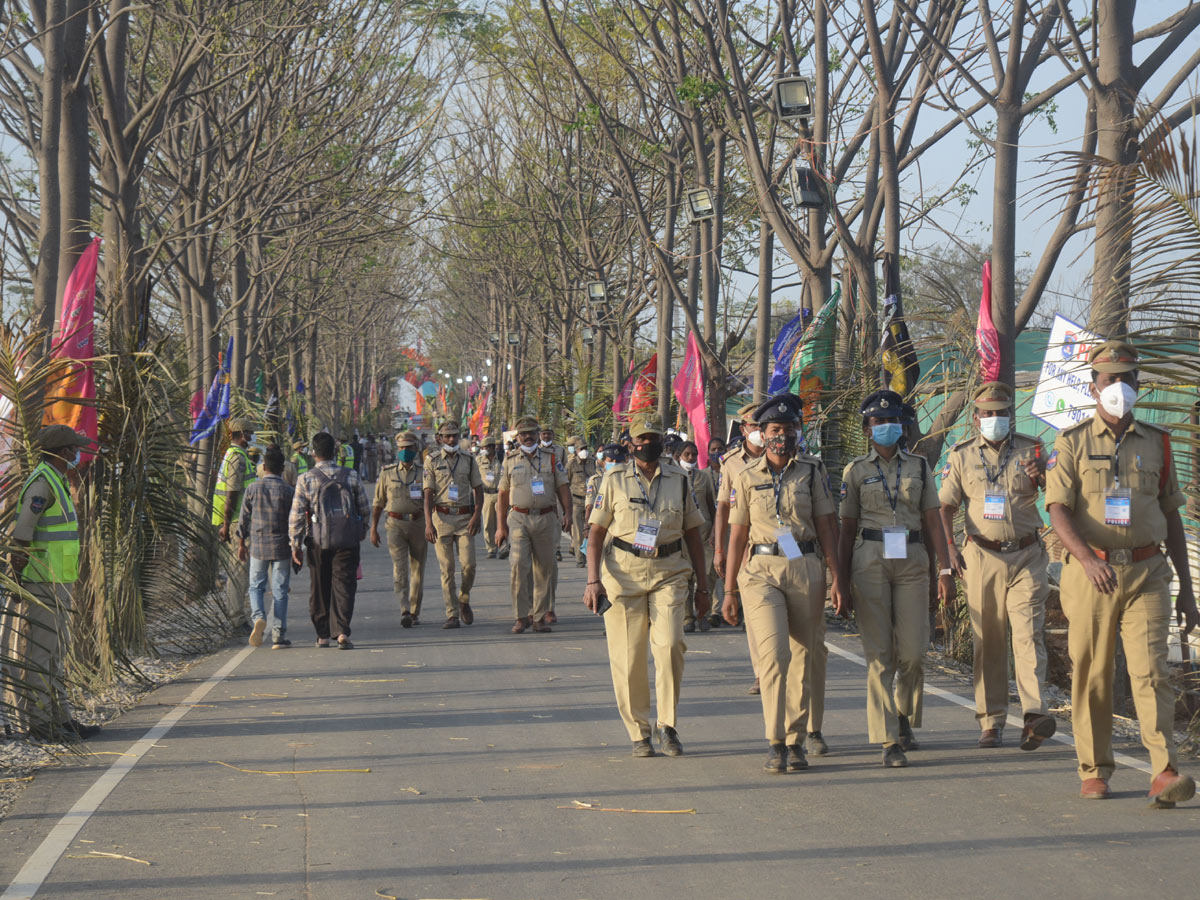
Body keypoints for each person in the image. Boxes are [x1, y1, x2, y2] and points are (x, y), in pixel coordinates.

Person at [1046, 340, 1198, 806]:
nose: (1120, 387)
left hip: (1148, 571)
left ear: (1138, 385)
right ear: (1094, 387)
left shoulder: (1158, 442)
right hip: (1091, 573)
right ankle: (1094, 769)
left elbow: (1171, 514)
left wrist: (1187, 591)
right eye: (1110, 379)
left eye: (1127, 379)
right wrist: (1087, 560)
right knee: (1092, 672)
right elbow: (1057, 509)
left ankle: (1164, 769)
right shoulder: (1070, 442)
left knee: (1151, 671)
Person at [723, 394, 847, 772]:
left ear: (798, 431)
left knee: (804, 657)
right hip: (760, 571)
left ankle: (796, 739)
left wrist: (836, 576)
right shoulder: (745, 476)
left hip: (804, 567)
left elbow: (827, 525)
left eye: (789, 428)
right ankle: (775, 739)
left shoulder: (812, 472)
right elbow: (738, 533)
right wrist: (728, 590)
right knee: (774, 655)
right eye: (775, 429)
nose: (782, 436)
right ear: (761, 433)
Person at [838, 389, 955, 768]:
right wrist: (839, 579)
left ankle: (903, 715)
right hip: (869, 560)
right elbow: (846, 527)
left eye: (892, 421)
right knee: (879, 655)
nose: (886, 427)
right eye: (878, 422)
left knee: (913, 653)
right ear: (868, 430)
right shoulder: (855, 470)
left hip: (912, 559)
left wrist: (945, 569)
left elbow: (933, 520)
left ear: (901, 427)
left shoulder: (920, 467)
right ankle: (888, 739)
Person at [938, 381, 1057, 750]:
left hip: (1026, 555)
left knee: (1026, 633)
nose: (994, 419)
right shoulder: (960, 455)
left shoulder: (1033, 449)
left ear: (1011, 414)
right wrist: (949, 551)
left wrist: (1044, 476)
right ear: (976, 419)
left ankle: (1034, 715)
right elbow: (945, 506)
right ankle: (991, 720)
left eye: (1001, 413)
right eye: (987, 414)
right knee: (987, 640)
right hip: (981, 556)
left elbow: (1059, 496)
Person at [584, 414, 710, 757]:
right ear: (630, 443)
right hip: (623, 576)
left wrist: (703, 586)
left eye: (654, 437)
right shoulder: (613, 481)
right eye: (641, 439)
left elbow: (693, 534)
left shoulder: (679, 479)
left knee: (670, 646)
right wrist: (593, 580)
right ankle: (639, 730)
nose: (647, 444)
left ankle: (667, 725)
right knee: (628, 658)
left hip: (669, 571)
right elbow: (595, 534)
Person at [1, 426, 99, 741]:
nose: (77, 453)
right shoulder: (42, 484)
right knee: (41, 654)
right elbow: (22, 533)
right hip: (43, 581)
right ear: (63, 452)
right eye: (74, 448)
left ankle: (62, 719)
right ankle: (42, 723)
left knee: (56, 652)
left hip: (58, 579)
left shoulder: (54, 480)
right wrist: (17, 574)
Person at [288, 431, 369, 648]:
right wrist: (362, 530)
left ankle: (322, 635)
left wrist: (295, 544)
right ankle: (341, 632)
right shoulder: (351, 475)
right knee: (344, 586)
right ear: (335, 452)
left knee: (319, 586)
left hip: (317, 540)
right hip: (347, 540)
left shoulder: (305, 479)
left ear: (313, 454)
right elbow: (364, 507)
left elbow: (296, 515)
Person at [497, 416, 572, 633]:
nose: (528, 437)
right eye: (523, 434)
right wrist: (501, 527)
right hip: (519, 518)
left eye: (532, 433)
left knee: (545, 569)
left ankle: (539, 617)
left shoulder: (551, 458)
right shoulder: (510, 459)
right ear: (517, 437)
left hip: (546, 519)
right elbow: (503, 494)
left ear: (538, 434)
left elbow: (563, 486)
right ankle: (522, 616)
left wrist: (567, 513)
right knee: (519, 565)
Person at [714, 403, 767, 690]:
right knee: (754, 609)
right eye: (754, 426)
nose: (759, 432)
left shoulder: (784, 454)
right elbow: (723, 508)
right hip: (744, 545)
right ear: (744, 429)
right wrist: (720, 549)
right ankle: (762, 671)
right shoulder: (731, 462)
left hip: (777, 542)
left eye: (763, 426)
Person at [423, 419, 483, 629]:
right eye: (447, 436)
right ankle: (452, 613)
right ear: (439, 438)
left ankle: (464, 599)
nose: (451, 439)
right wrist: (428, 523)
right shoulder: (431, 460)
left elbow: (478, 488)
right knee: (447, 568)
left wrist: (477, 514)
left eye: (455, 436)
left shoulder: (468, 459)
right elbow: (428, 494)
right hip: (442, 518)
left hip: (465, 518)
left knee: (469, 565)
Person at [237, 446, 296, 649]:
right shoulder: (289, 491)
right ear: (282, 469)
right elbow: (295, 521)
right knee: (280, 590)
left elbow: (243, 519)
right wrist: (297, 546)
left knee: (256, 586)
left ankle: (259, 617)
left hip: (258, 545)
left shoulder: (253, 488)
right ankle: (278, 635)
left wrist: (240, 544)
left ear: (264, 467)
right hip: (282, 546)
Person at [370, 431, 428, 628]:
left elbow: (431, 501)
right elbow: (378, 503)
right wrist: (373, 529)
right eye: (401, 448)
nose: (405, 452)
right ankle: (404, 608)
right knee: (400, 568)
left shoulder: (424, 473)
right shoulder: (387, 473)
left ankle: (414, 611)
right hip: (394, 524)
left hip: (418, 524)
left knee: (417, 569)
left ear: (415, 449)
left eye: (408, 448)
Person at [212, 419, 257, 629]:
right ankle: (237, 619)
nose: (252, 437)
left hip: (233, 519)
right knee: (239, 570)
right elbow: (232, 493)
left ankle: (235, 615)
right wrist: (226, 523)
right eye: (250, 433)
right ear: (242, 434)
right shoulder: (237, 458)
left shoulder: (230, 455)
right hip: (237, 521)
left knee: (236, 569)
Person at [678, 441, 717, 633]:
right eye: (687, 455)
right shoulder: (674, 477)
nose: (691, 458)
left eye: (694, 454)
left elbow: (712, 506)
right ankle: (687, 617)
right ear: (679, 456)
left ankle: (703, 614)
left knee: (706, 575)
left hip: (704, 533)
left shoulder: (704, 478)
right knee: (686, 576)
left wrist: (714, 531)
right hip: (683, 534)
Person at [566, 440, 596, 567]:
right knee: (578, 532)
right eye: (581, 449)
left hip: (591, 501)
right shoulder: (571, 464)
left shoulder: (593, 463)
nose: (584, 451)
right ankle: (580, 558)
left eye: (585, 448)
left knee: (591, 530)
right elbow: (565, 484)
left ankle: (590, 556)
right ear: (576, 451)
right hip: (576, 502)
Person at [479, 435, 508, 559]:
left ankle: (503, 546)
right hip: (486, 494)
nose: (486, 449)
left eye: (487, 447)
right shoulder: (478, 460)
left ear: (493, 447)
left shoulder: (502, 458)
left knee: (502, 521)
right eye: (484, 447)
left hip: (500, 493)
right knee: (488, 523)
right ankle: (491, 548)